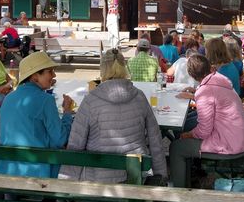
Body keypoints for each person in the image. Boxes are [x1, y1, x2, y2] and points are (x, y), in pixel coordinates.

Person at [59, 49, 166, 183]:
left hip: (99, 181)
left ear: (103, 69)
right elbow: (155, 140)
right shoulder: (139, 96)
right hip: (135, 177)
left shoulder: (90, 101)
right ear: (124, 68)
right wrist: (161, 175)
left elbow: (76, 145)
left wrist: (67, 182)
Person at [169, 55, 244, 188]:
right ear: (209, 67)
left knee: (176, 147)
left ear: (192, 75)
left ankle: (179, 193)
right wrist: (196, 92)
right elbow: (213, 98)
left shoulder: (205, 91)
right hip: (239, 138)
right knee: (186, 124)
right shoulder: (218, 79)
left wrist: (189, 135)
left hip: (229, 144)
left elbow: (204, 130)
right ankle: (190, 173)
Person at [0, 51, 74, 178]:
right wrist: (67, 112)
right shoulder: (46, 100)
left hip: (7, 171)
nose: (54, 75)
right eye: (50, 71)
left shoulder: (8, 97)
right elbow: (60, 139)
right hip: (36, 175)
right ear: (35, 76)